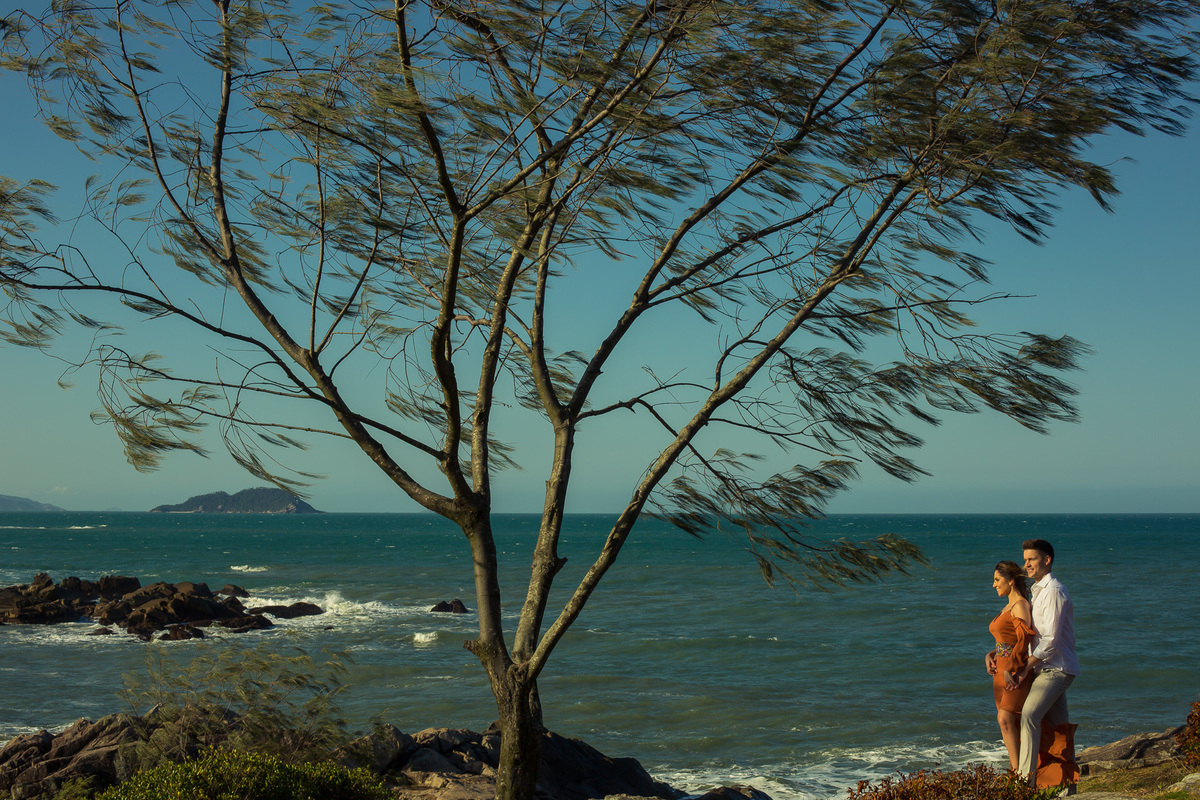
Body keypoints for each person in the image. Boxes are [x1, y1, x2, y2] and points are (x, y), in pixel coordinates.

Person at [1012, 538, 1080, 787]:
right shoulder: (1038, 590)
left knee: (1029, 715)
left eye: (1031, 559)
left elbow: (1050, 640)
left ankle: (1024, 784)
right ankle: (1067, 787)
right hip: (1044, 668)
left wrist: (1025, 667)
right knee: (1060, 730)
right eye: (1025, 559)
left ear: (1047, 560)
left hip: (1056, 668)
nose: (1026, 564)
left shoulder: (1054, 592)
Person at [985, 560, 1036, 771]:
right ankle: (1017, 771)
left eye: (997, 580)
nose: (994, 584)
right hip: (1001, 670)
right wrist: (990, 654)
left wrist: (1011, 667)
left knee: (1006, 718)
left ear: (1011, 581)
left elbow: (1024, 640)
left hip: (1014, 671)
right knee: (1007, 724)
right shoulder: (1008, 606)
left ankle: (1018, 775)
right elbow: (1007, 640)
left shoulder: (1020, 605)